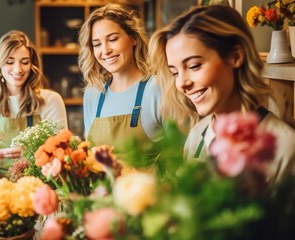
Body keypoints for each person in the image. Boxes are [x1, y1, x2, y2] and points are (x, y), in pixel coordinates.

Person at [148, 4, 295, 184]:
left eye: (194, 66)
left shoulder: (285, 145)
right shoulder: (197, 134)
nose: (181, 83)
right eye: (175, 72)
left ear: (235, 56)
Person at [78, 3, 163, 153]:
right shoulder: (93, 95)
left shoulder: (158, 88)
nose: (105, 50)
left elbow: (182, 154)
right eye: (97, 44)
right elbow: (90, 157)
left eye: (113, 39)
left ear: (133, 38)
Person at [0, 30, 68, 162]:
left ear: (32, 65)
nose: (18, 69)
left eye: (24, 62)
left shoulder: (51, 100)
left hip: (40, 181)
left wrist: (31, 150)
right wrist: (0, 154)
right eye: (10, 62)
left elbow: (62, 147)